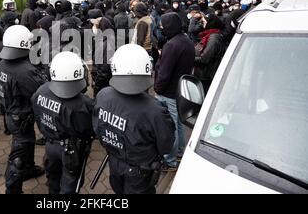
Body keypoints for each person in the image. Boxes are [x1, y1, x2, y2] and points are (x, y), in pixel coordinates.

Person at [93, 44, 175, 194]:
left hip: (114, 161)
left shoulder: (103, 95)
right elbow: (166, 145)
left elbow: (97, 127)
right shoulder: (155, 110)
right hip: (139, 171)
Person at [32, 52, 93, 194]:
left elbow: (37, 114)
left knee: (53, 179)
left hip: (50, 145)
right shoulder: (82, 104)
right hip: (71, 151)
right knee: (70, 185)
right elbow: (87, 130)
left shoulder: (41, 91)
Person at [0, 25, 47, 194]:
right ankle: (12, 189)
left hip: (12, 114)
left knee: (28, 141)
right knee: (18, 155)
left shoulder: (3, 63)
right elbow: (42, 90)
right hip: (21, 116)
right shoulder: (25, 71)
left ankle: (28, 168)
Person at [155, 13, 195, 171]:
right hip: (179, 90)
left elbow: (164, 73)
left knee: (169, 128)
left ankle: (170, 160)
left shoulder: (171, 45)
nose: (161, 28)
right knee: (177, 123)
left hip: (168, 93)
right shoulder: (186, 40)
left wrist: (157, 89)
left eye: (163, 26)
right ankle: (179, 152)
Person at [194, 14, 225, 93]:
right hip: (203, 74)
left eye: (204, 21)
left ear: (210, 23)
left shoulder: (214, 38)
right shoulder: (209, 35)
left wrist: (189, 58)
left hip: (206, 76)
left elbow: (205, 59)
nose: (202, 23)